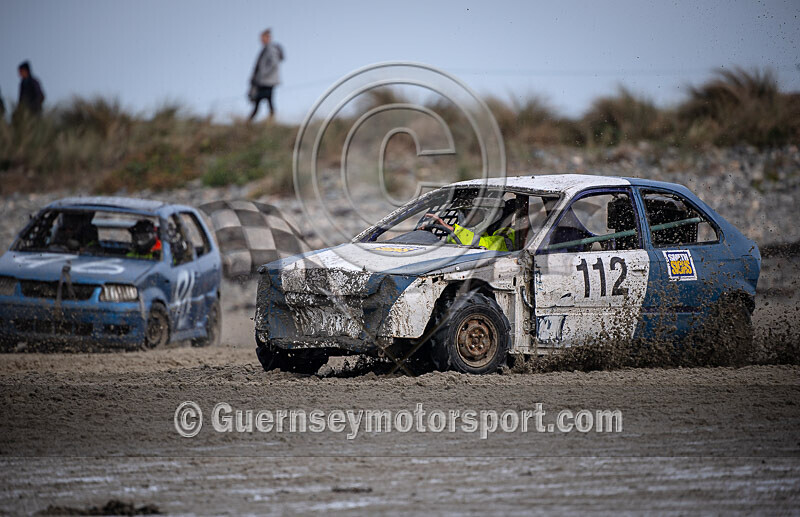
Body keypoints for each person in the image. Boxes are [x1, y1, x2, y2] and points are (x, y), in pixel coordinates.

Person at [422, 209, 516, 252]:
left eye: (475, 212)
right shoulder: (480, 232)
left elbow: (485, 244)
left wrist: (452, 229)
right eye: (466, 212)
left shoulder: (509, 233)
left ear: (488, 213)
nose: (469, 216)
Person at [249, 29, 284, 121]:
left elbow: (274, 64)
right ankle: (267, 118)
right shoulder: (265, 50)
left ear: (268, 38)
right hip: (265, 80)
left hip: (267, 81)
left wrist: (263, 75)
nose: (261, 40)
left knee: (263, 100)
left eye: (263, 38)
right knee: (264, 100)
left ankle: (251, 120)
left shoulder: (270, 49)